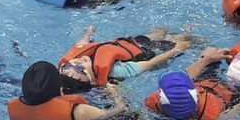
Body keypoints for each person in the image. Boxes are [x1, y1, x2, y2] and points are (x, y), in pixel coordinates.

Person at [144, 47, 240, 120]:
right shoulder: (211, 117)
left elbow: (186, 75)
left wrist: (208, 59)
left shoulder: (157, 101)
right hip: (233, 93)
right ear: (195, 93)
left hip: (208, 82)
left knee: (209, 51)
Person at [7, 61, 127, 120]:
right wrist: (115, 93)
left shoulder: (12, 108)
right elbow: (120, 110)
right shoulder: (79, 111)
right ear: (61, 90)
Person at [58, 26, 191, 93]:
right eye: (80, 69)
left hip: (132, 43)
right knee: (181, 37)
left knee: (161, 31)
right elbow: (149, 64)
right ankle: (189, 33)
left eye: (66, 66)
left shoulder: (77, 58)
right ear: (92, 81)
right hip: (150, 53)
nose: (75, 62)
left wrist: (87, 34)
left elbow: (81, 46)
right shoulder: (116, 71)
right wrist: (177, 49)